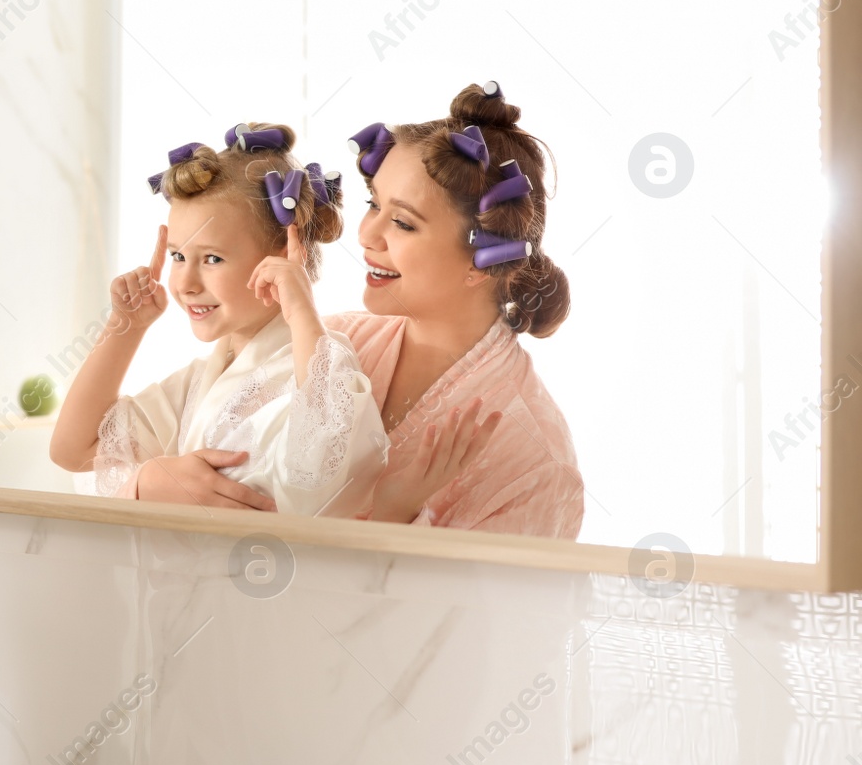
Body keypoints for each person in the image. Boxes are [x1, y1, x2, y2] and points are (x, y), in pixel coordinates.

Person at [49, 122, 387, 516]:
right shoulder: (200, 382)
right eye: (177, 256)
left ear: (280, 256)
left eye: (212, 259)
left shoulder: (324, 366)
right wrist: (126, 327)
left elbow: (321, 484)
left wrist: (301, 311)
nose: (186, 284)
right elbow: (73, 450)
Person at [328, 81, 582, 538]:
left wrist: (397, 517)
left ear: (481, 263)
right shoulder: (331, 342)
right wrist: (156, 477)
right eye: (373, 204)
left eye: (403, 222)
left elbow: (487, 611)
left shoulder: (536, 462)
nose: (366, 234)